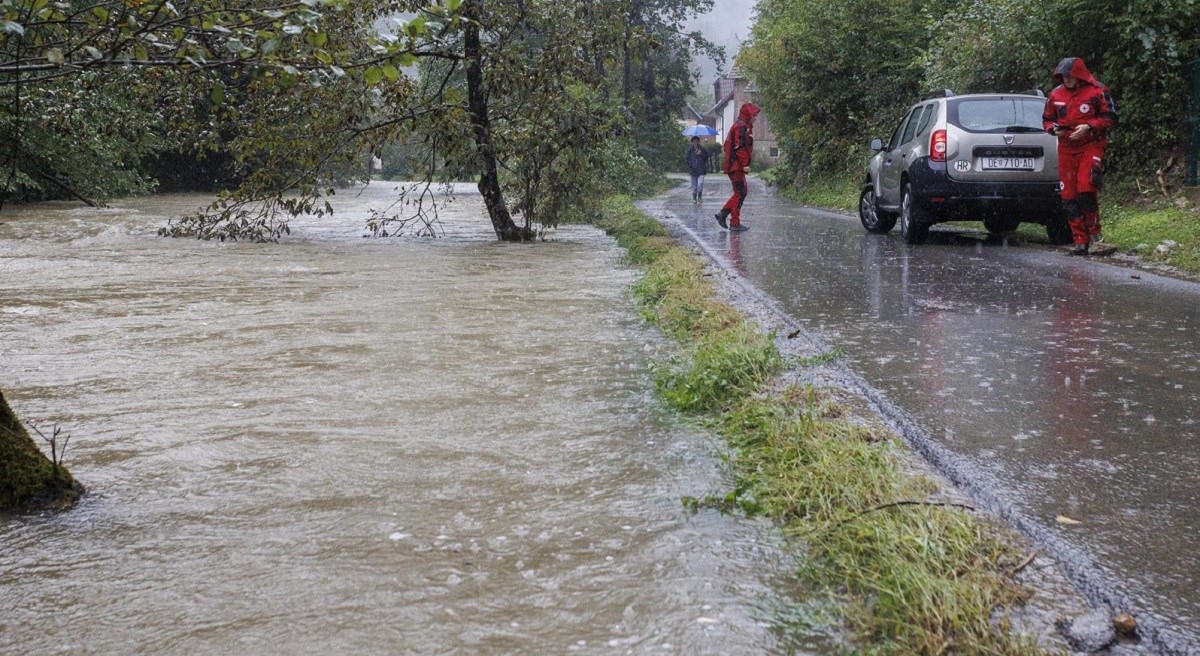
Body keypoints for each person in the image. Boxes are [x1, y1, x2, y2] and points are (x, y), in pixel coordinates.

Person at [1042, 57, 1118, 256]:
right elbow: (1047, 120)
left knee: (1086, 188)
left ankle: (1095, 237)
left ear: (1079, 75)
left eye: (1070, 75)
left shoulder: (1098, 91)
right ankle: (1080, 242)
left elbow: (1110, 117)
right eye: (1063, 76)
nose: (1067, 79)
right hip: (1066, 149)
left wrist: (1089, 126)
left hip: (1091, 146)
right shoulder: (1055, 95)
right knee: (1069, 196)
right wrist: (1053, 130)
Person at [714, 102, 760, 232]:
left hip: (734, 165)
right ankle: (733, 222)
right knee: (741, 192)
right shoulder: (741, 127)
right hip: (736, 166)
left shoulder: (742, 126)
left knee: (740, 192)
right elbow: (739, 147)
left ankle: (724, 215)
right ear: (748, 115)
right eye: (754, 115)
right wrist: (745, 164)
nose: (755, 118)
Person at [686, 136, 709, 202]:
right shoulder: (690, 150)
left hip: (701, 170)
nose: (696, 143)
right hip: (693, 170)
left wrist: (701, 154)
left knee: (700, 184)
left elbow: (706, 158)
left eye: (697, 141)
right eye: (694, 141)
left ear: (699, 142)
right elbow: (687, 159)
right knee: (694, 186)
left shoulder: (703, 149)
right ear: (692, 142)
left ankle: (700, 197)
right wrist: (691, 165)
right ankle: (694, 198)